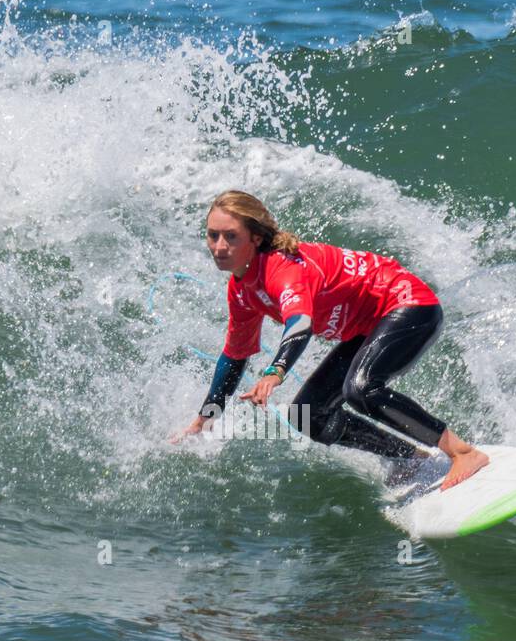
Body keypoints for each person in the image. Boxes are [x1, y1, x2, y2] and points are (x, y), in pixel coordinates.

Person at [170, 190, 488, 491]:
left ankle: (462, 452)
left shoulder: (282, 268)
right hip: (370, 326)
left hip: (409, 306)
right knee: (307, 413)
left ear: (255, 237)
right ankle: (408, 457)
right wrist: (203, 420)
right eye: (213, 235)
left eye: (230, 236)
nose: (219, 246)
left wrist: (275, 371)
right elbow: (234, 358)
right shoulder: (241, 290)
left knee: (361, 389)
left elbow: (301, 323)